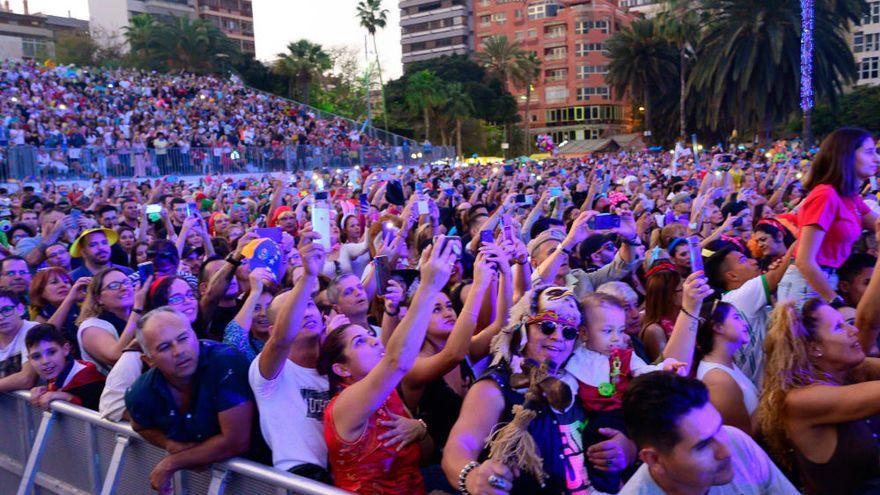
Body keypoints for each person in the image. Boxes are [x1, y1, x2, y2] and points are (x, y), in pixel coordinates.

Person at [443, 285, 636, 495]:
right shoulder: (494, 387)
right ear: (523, 328)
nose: (558, 337)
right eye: (547, 326)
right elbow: (458, 447)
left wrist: (628, 449)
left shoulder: (582, 376)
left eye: (569, 331)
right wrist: (471, 476)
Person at [318, 237, 455, 494]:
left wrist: (420, 430)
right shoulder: (343, 404)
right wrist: (428, 286)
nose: (376, 344)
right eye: (360, 342)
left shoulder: (389, 392)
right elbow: (395, 361)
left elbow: (424, 455)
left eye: (372, 337)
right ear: (342, 369)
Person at [757, 248, 880, 495]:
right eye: (838, 327)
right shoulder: (799, 400)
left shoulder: (849, 371)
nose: (852, 331)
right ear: (813, 348)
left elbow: (867, 324)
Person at [125, 307, 257, 494]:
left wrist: (172, 463)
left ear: (195, 336)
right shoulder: (140, 392)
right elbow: (138, 426)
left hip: (260, 473)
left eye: (183, 338)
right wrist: (168, 443)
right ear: (149, 360)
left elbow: (236, 441)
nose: (178, 351)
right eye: (164, 347)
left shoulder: (225, 361)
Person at [620, 371, 797, 494]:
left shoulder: (736, 440)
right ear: (654, 459)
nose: (726, 451)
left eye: (719, 428)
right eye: (703, 445)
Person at [249, 235, 332, 481]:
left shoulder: (338, 362)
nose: (306, 312)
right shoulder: (267, 372)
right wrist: (307, 277)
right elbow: (282, 340)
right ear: (272, 329)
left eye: (309, 304)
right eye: (293, 310)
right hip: (300, 480)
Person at [778, 127, 879, 306]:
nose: (877, 158)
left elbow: (876, 223)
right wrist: (834, 300)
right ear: (847, 155)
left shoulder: (850, 197)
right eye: (869, 152)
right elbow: (804, 260)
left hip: (825, 281)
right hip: (807, 287)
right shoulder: (825, 195)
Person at [694, 300, 759, 435]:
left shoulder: (727, 362)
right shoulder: (718, 379)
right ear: (718, 327)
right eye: (736, 318)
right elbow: (745, 436)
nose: (744, 323)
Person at [75, 268, 148, 375]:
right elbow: (115, 356)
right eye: (114, 286)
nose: (124, 288)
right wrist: (137, 308)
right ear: (99, 298)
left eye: (126, 282)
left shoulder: (142, 316)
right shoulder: (91, 327)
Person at [26, 324, 105, 411]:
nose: (45, 361)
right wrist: (44, 391)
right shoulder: (54, 374)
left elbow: (102, 415)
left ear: (65, 349)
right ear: (29, 359)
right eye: (36, 356)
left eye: (52, 352)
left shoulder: (90, 378)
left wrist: (68, 397)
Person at [28, 267, 89, 358]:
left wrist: (89, 299)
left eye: (66, 282)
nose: (63, 285)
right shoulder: (38, 316)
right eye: (54, 282)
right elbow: (46, 335)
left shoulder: (80, 306)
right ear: (40, 292)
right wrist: (70, 299)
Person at [69, 228, 134, 281]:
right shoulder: (72, 279)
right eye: (93, 245)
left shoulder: (127, 273)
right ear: (83, 252)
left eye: (104, 242)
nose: (101, 248)